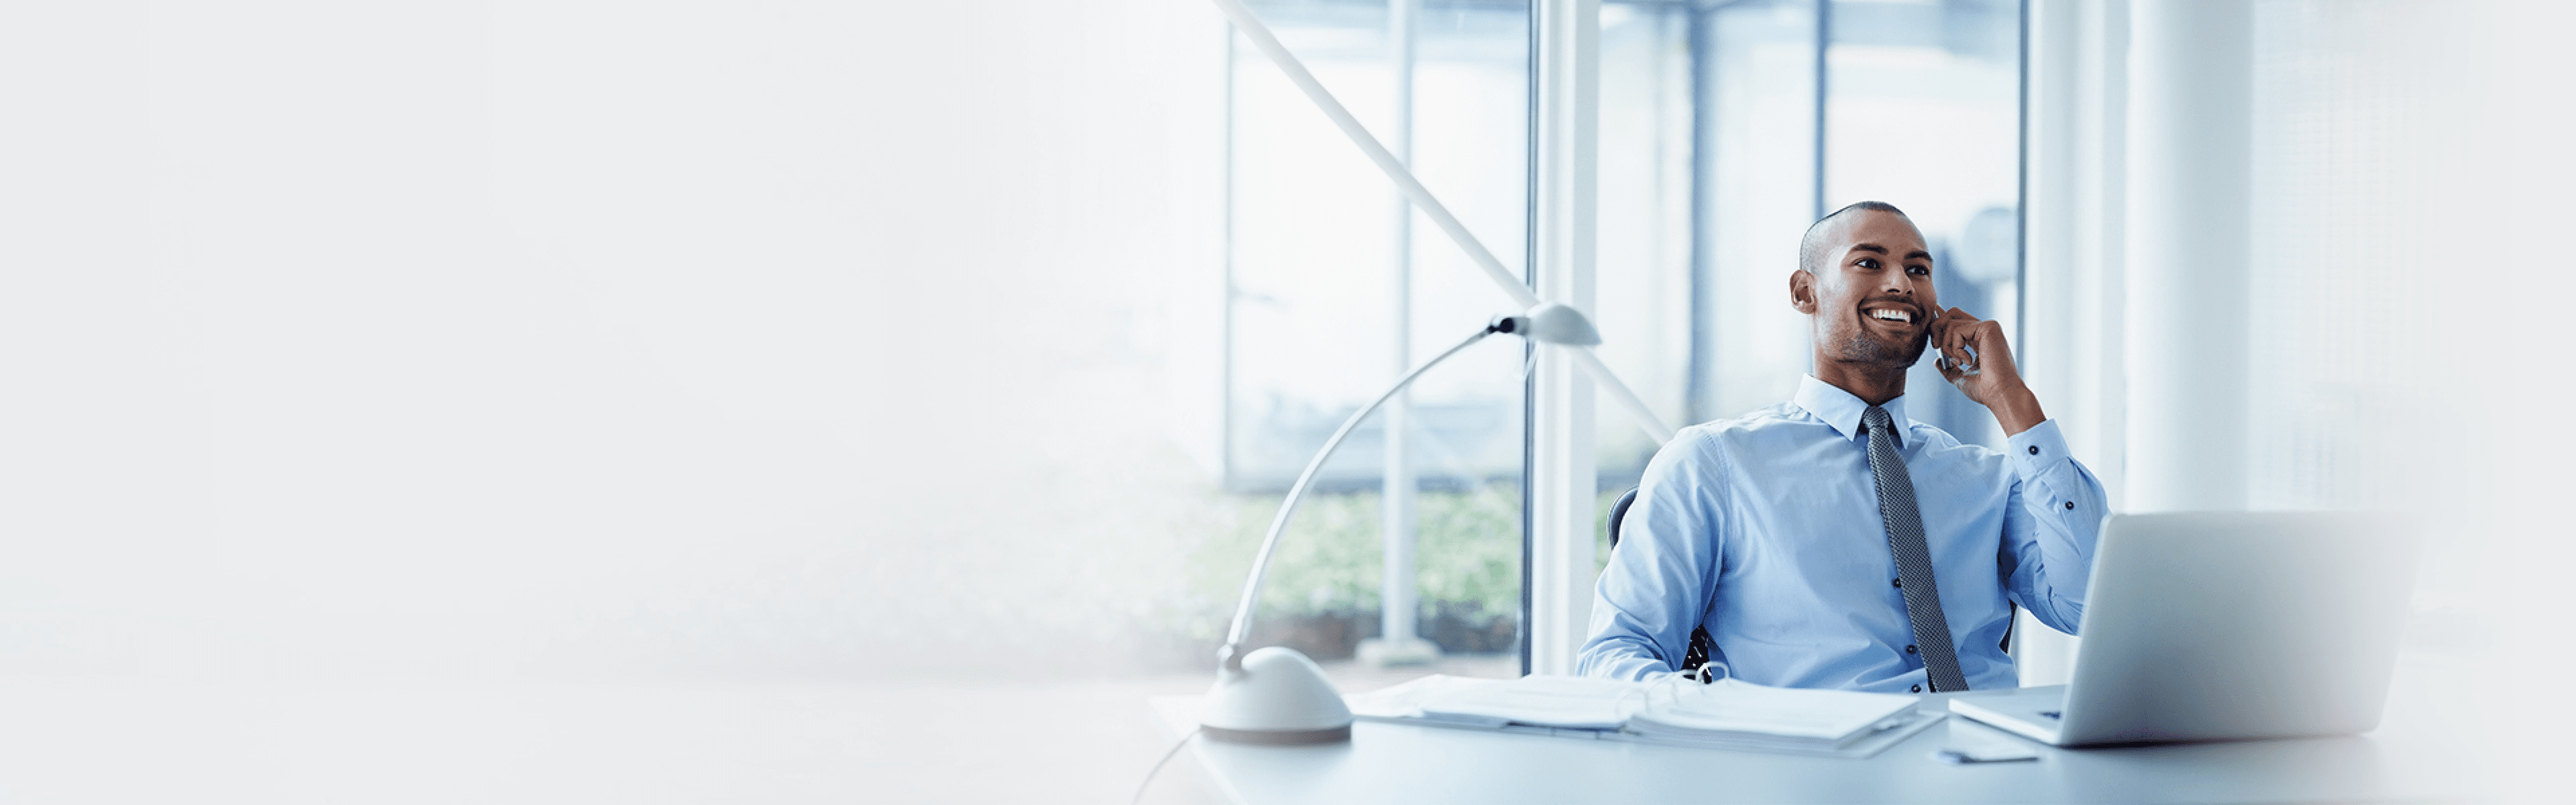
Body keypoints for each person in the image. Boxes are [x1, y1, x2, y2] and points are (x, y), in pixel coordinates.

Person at [1577, 201, 2106, 694]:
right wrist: (1732, 722)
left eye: (1919, 270)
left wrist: (2012, 401)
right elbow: (1616, 654)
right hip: (1808, 769)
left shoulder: (1988, 478)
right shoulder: (1712, 463)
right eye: (1869, 263)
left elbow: (2088, 607)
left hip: (1984, 763)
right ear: (1805, 292)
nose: (1901, 283)